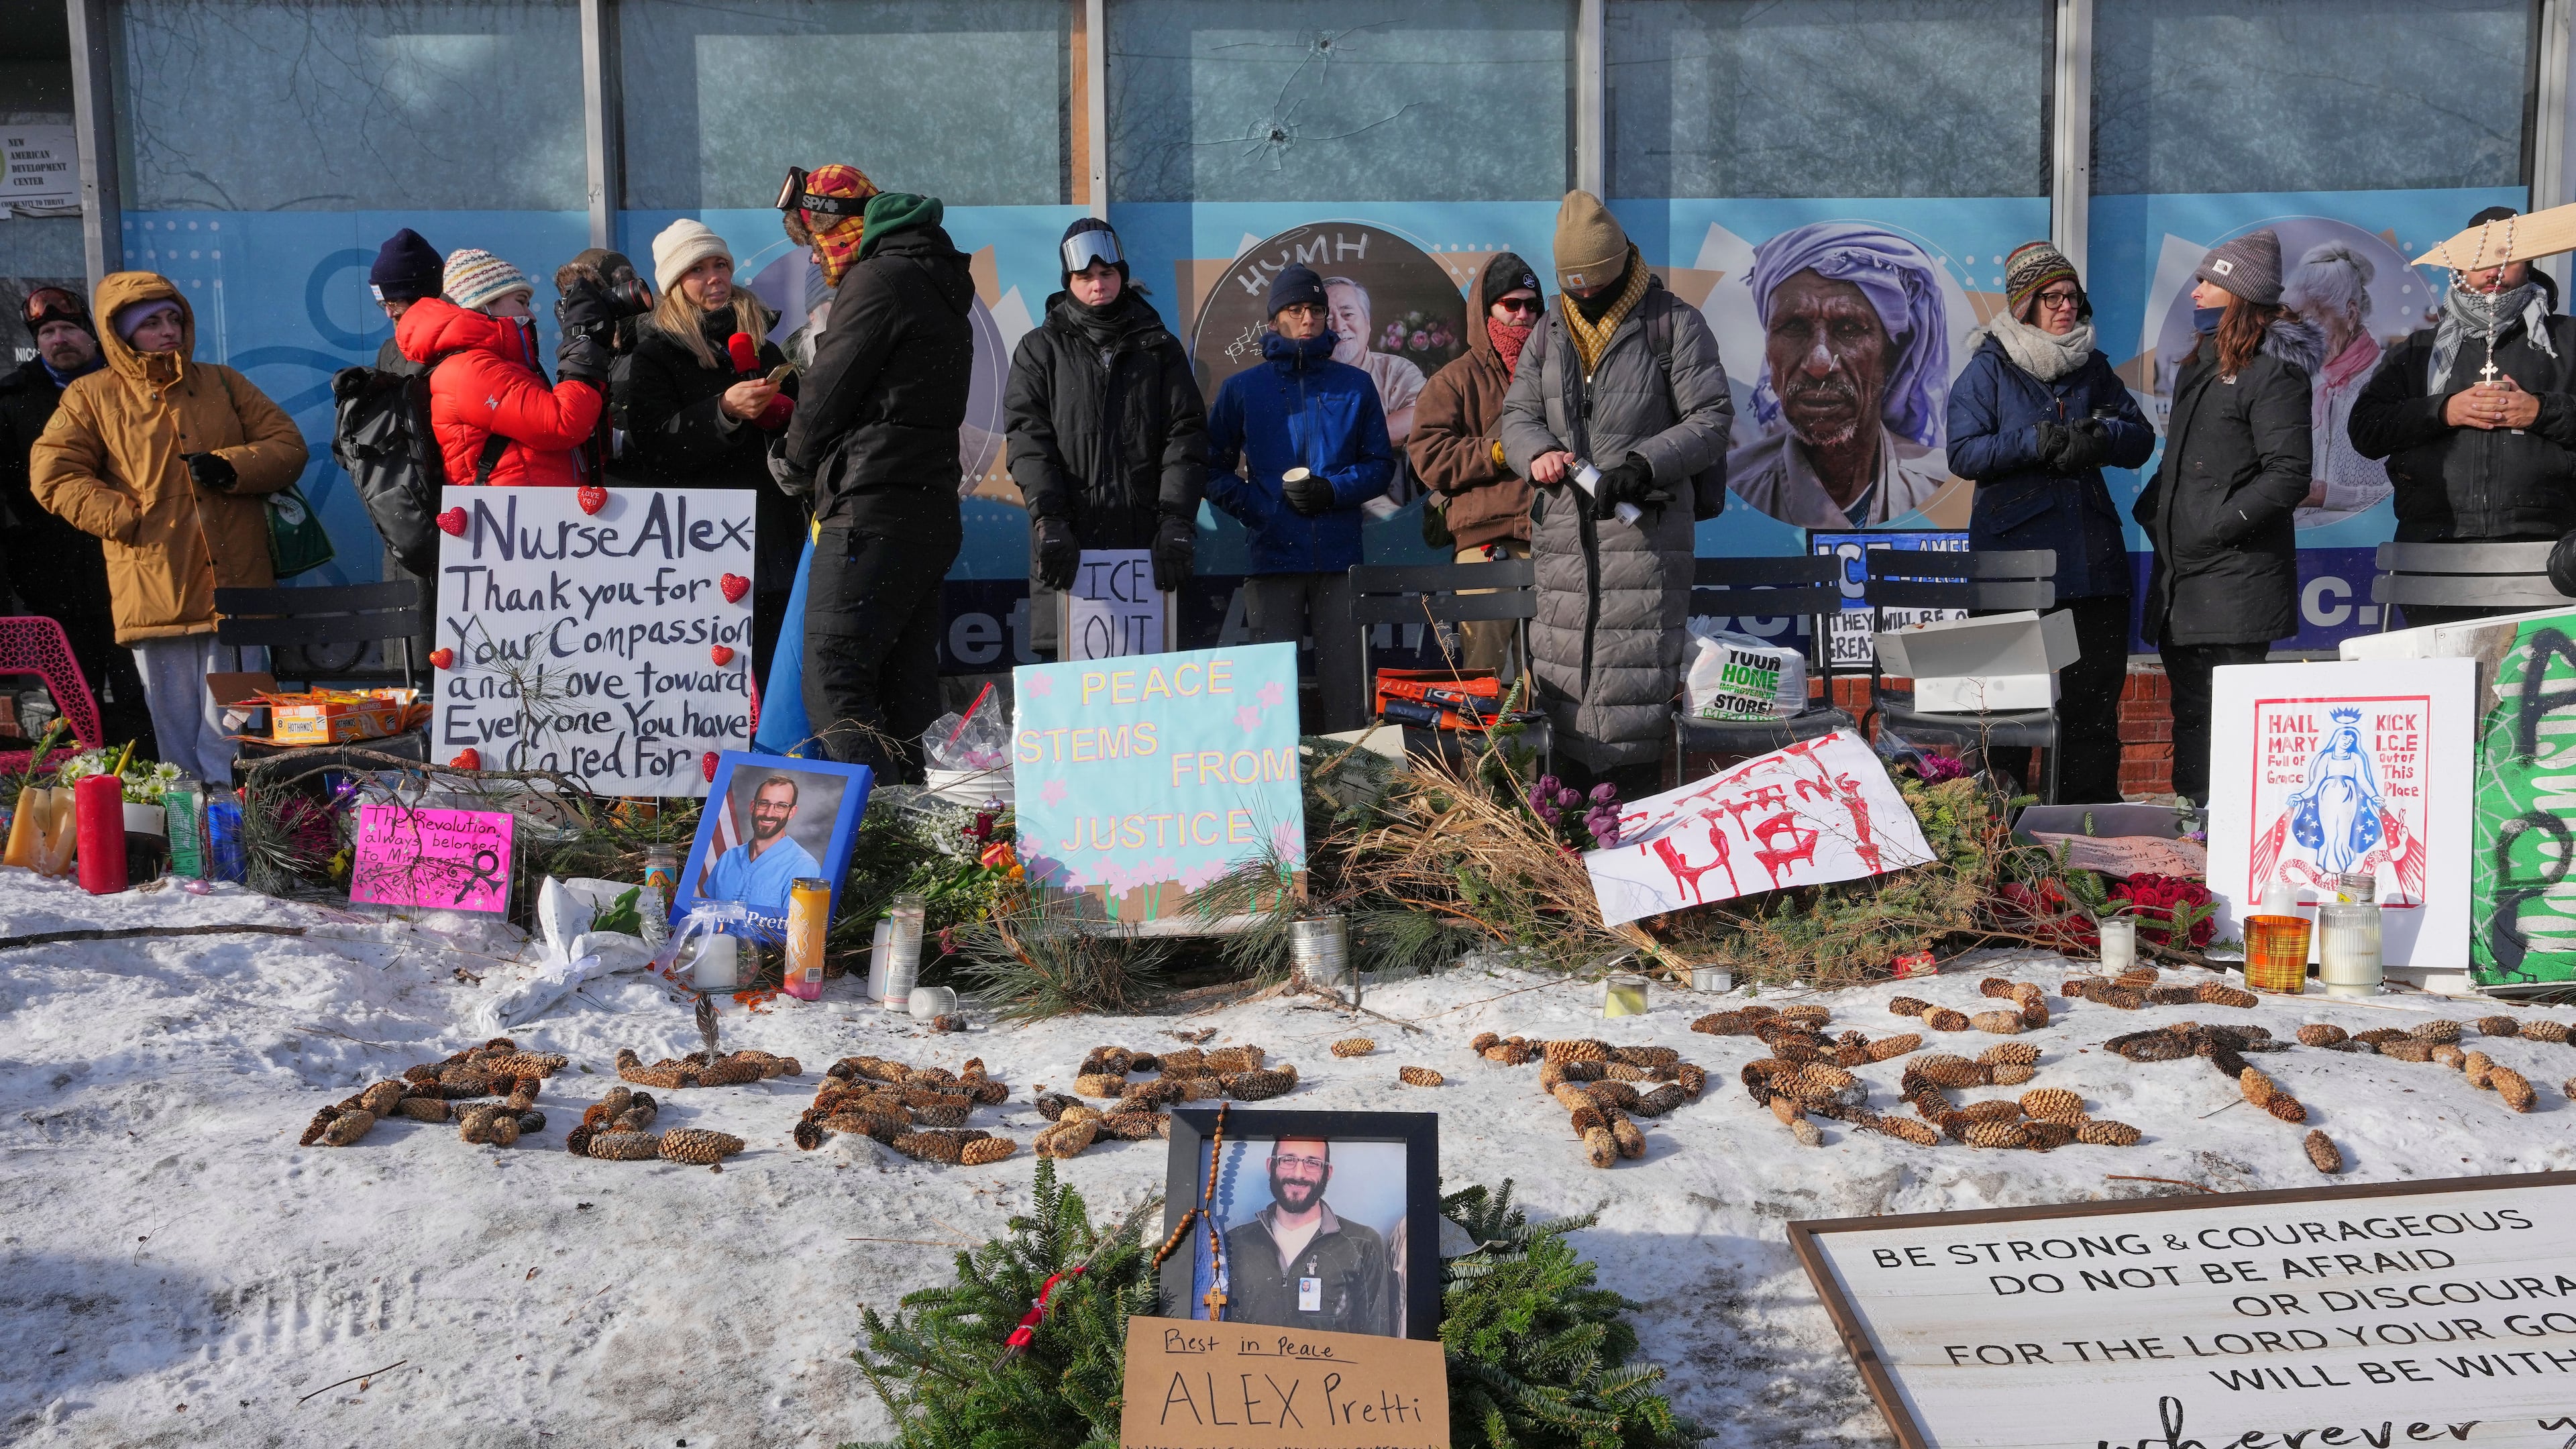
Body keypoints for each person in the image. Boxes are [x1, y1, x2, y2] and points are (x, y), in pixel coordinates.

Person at [28, 273, 307, 783]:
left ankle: (251, 830)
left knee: (242, 728)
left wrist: (233, 465)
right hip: (157, 590)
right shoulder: (91, 396)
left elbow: (287, 446)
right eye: (151, 323)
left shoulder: (223, 382)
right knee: (177, 738)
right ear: (122, 333)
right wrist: (126, 518)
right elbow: (53, 474)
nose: (168, 331)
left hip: (238, 594)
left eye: (174, 318)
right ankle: (193, 839)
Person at [1498, 191, 1731, 792]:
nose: (1582, 297)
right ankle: (1569, 839)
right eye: (1571, 286)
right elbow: (1517, 416)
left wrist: (1644, 464)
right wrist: (1537, 454)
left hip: (1644, 539)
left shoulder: (1674, 324)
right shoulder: (1547, 332)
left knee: (1636, 687)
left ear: (1621, 265)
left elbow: (1710, 418)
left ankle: (1634, 825)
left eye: (1592, 284)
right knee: (1564, 680)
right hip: (1563, 544)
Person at [777, 175, 976, 782]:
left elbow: (829, 385)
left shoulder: (879, 278)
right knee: (905, 688)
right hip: (927, 508)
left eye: (817, 238)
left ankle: (879, 837)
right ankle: (927, 837)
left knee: (834, 681)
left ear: (843, 227)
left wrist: (795, 461)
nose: (815, 254)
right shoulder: (939, 281)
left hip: (870, 507)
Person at [1945, 241, 2153, 804]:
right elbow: (1963, 454)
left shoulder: (2094, 368)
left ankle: (2083, 840)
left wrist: (2101, 437)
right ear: (2023, 304)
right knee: (2008, 715)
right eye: (2052, 297)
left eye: (2073, 296)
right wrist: (2034, 441)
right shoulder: (1987, 370)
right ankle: (2001, 844)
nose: (2067, 307)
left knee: (2090, 711)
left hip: (2093, 566)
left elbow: (2141, 439)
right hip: (2013, 569)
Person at [2133, 229, 2318, 806]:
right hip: (2182, 578)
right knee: (2190, 709)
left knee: (2231, 716)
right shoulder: (2202, 364)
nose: (2197, 289)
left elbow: (2288, 474)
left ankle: (2233, 831)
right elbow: (2186, 461)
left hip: (2236, 581)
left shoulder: (2274, 373)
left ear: (2239, 295)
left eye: (2210, 280)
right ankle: (2196, 826)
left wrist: (2217, 524)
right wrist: (2156, 511)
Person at [2353, 205, 2576, 628]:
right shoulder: (2418, 351)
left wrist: (2541, 411)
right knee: (2443, 688)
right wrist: (2443, 410)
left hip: (2549, 554)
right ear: (2460, 268)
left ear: (2530, 262)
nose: (2493, 270)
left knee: (2526, 689)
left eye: (2507, 257)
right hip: (2434, 548)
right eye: (2480, 258)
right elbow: (2365, 430)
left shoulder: (2568, 340)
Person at [1203, 264, 1394, 733]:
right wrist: (1260, 510)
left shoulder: (1355, 385)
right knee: (1270, 697)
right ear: (1273, 321)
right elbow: (1209, 469)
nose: (1307, 318)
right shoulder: (1243, 389)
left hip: (1339, 561)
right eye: (1295, 309)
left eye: (1315, 309)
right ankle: (1275, 801)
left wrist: (1332, 490)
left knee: (1347, 694)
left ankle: (1351, 798)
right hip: (1272, 560)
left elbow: (1379, 466)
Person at [1006, 217, 1206, 658]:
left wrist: (1176, 520)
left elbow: (1185, 435)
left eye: (1107, 274)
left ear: (1122, 275)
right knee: (1072, 702)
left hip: (1147, 549)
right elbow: (1027, 437)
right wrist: (1049, 519)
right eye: (1085, 276)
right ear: (1068, 282)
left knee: (1147, 695)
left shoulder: (1160, 348)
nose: (1098, 284)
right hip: (1067, 547)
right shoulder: (1039, 350)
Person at [620, 219, 802, 684]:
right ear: (675, 285)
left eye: (720, 264)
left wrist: (786, 417)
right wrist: (722, 411)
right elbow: (654, 445)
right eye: (698, 269)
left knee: (777, 670)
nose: (715, 277)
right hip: (702, 544)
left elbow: (807, 436)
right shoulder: (655, 355)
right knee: (713, 680)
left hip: (774, 534)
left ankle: (777, 756)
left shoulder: (766, 347)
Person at [0, 285, 156, 755]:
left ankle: (146, 785)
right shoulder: (11, 399)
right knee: (71, 693)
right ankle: (79, 789)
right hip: (52, 576)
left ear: (93, 337)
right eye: (47, 332)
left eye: (69, 327)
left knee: (137, 689)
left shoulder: (127, 386)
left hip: (129, 567)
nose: (59, 338)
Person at [1729, 223, 1951, 528]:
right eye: (1794, 328)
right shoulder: (1729, 489)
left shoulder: (1943, 487)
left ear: (1892, 355)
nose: (1819, 364)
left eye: (1849, 329)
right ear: (1769, 349)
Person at [1407, 252, 1542, 678]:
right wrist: (1502, 451)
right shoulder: (1454, 379)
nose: (1524, 315)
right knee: (1483, 680)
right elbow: (1428, 455)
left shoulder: (1558, 372)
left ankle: (1544, 749)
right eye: (1511, 304)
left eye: (1532, 305)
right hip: (1487, 545)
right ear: (1487, 310)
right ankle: (1485, 749)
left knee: (1551, 678)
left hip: (1555, 544)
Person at [395, 249, 608, 488]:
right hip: (508, 519)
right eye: (521, 302)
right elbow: (563, 424)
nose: (531, 316)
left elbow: (575, 431)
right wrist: (582, 343)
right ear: (484, 303)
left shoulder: (494, 365)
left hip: (526, 516)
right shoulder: (468, 371)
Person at [1220, 1137, 1395, 1337]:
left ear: (1327, 1173)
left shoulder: (1363, 1244)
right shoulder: (1235, 1242)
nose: (1298, 1174)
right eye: (1288, 1160)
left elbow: (1376, 1343)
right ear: (1271, 1165)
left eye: (1312, 1163)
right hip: (1251, 1368)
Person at [2282, 241, 2389, 525]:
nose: (2299, 334)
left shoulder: (2391, 376)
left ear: (2350, 315)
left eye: (2310, 320)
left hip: (2371, 544)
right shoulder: (2302, 381)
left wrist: (2329, 495)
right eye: (2293, 322)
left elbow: (2407, 490)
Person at [1324, 276, 1426, 517]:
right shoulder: (1303, 382)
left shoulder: (1397, 370)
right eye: (1328, 318)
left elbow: (1422, 415)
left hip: (1394, 516)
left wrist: (1341, 442)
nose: (1339, 327)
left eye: (1348, 314)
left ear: (1368, 322)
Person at [698, 771, 821, 912]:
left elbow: (798, 930)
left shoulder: (804, 867)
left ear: (792, 812)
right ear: (753, 806)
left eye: (781, 806)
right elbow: (706, 915)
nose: (769, 814)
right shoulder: (728, 858)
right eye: (764, 803)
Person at [368, 228, 443, 374]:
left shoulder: (465, 349)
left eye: (393, 302)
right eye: (384, 304)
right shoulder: (388, 352)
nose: (389, 314)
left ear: (422, 299)